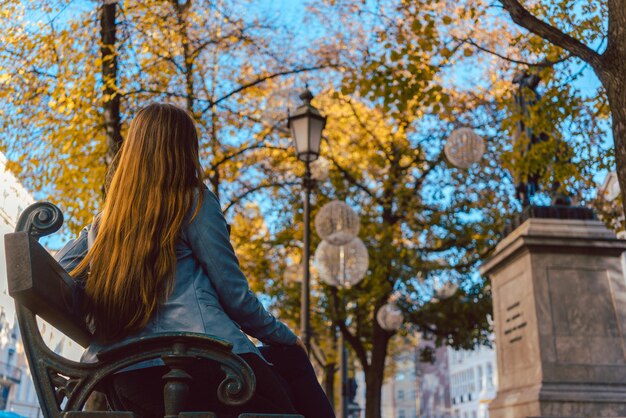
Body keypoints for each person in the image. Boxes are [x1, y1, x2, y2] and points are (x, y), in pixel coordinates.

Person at [55, 103, 335, 418]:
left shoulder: (108, 221)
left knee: (286, 363)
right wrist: (286, 335)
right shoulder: (193, 201)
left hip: (127, 377)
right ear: (184, 149)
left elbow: (61, 266)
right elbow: (235, 296)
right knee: (291, 362)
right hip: (197, 367)